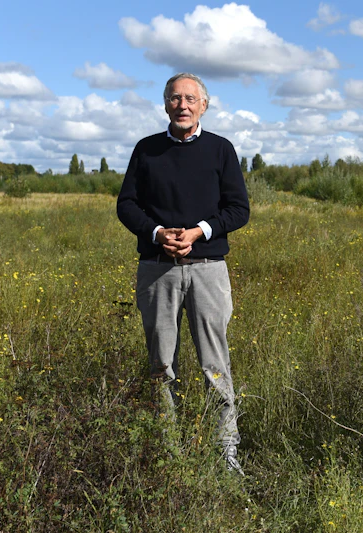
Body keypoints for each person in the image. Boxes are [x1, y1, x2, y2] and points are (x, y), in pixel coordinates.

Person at [116, 72, 250, 474]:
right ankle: (167, 449)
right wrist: (158, 233)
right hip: (158, 270)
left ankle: (226, 451)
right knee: (161, 363)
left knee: (215, 362)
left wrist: (198, 232)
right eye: (175, 98)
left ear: (204, 106)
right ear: (165, 105)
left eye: (191, 99)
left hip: (208, 269)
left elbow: (238, 209)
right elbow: (127, 205)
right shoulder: (146, 150)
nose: (183, 105)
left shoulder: (221, 149)